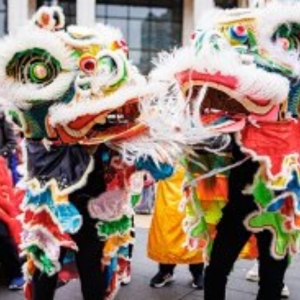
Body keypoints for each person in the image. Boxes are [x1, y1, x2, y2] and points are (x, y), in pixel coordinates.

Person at [204, 137, 289, 300]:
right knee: (218, 268)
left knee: (272, 273)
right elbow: (210, 145)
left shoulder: (289, 125)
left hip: (271, 211)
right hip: (244, 208)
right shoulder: (239, 124)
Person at [0, 114, 24, 290]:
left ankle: (16, 273)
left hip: (2, 176)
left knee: (2, 231)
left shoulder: (2, 120)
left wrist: (2, 154)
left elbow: (11, 143)